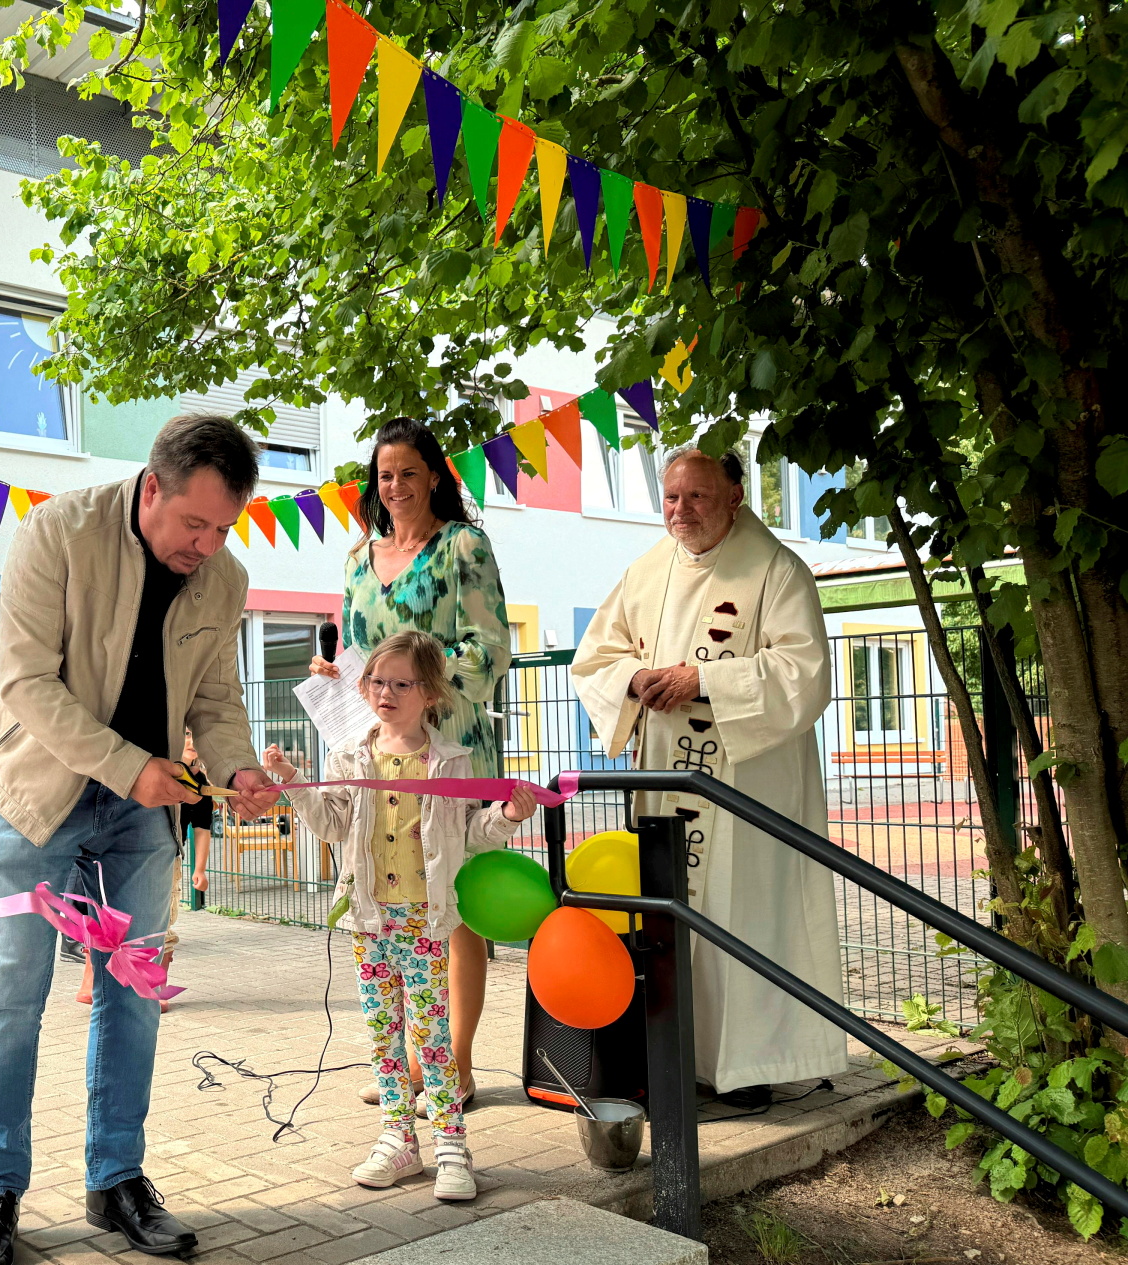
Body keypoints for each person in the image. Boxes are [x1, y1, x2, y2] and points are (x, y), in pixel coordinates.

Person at [0, 413, 279, 1265]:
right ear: (151, 489)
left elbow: (215, 694)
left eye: (224, 529)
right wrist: (129, 767)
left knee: (134, 996)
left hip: (144, 805)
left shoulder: (225, 577)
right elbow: (23, 681)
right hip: (31, 796)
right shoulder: (54, 533)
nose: (206, 547)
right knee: (9, 997)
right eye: (193, 524)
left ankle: (117, 1180)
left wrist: (240, 769)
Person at [572, 449, 846, 1106]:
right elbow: (596, 660)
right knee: (669, 915)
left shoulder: (777, 571)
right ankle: (674, 1060)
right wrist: (635, 680)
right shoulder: (645, 571)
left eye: (697, 496)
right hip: (668, 777)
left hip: (750, 783)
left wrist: (706, 681)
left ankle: (748, 1069)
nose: (680, 511)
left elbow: (804, 676)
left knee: (744, 915)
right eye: (670, 498)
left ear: (735, 494)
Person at [269, 632, 536, 1199]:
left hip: (423, 918)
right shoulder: (349, 757)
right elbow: (332, 824)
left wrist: (508, 816)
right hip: (368, 919)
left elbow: (470, 837)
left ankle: (450, 1145)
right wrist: (293, 782)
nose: (385, 692)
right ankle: (397, 1139)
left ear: (431, 693)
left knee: (431, 1035)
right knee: (383, 1034)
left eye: (401, 683)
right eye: (376, 681)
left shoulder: (452, 762)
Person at [311, 417, 512, 1109]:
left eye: (407, 472)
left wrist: (419, 686)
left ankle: (454, 1066)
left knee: (451, 910)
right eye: (384, 475)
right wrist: (337, 672)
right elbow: (355, 653)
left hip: (449, 750)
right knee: (392, 904)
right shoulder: (357, 557)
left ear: (434, 476)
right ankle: (406, 1068)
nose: (394, 486)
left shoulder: (463, 546)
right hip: (380, 756)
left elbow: (489, 650)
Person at [75, 727, 210, 1008]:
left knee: (161, 921)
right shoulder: (154, 769)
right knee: (108, 912)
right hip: (123, 847)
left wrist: (200, 868)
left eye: (196, 734)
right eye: (186, 733)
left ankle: (154, 983)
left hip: (168, 858)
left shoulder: (202, 785)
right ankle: (92, 978)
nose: (192, 741)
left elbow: (202, 828)